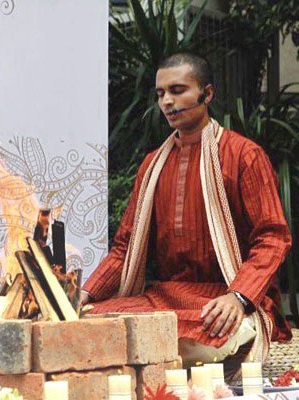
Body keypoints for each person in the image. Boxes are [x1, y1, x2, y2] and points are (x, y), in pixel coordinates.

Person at [81, 52, 292, 365]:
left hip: (225, 297)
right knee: (87, 322)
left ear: (206, 94)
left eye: (177, 90)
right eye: (160, 94)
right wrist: (84, 294)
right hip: (166, 298)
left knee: (218, 334)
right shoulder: (152, 165)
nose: (167, 101)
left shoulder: (244, 155)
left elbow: (273, 238)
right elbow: (125, 249)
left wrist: (238, 296)